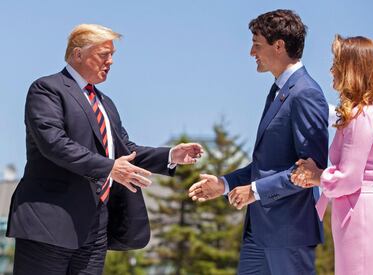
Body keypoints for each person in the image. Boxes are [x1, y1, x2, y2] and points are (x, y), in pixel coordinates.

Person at [7, 24, 203, 275]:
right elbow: (54, 143)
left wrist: (169, 155)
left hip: (94, 229)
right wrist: (110, 168)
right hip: (49, 224)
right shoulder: (47, 89)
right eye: (104, 54)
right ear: (78, 54)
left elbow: (124, 151)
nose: (110, 61)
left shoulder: (105, 103)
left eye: (112, 55)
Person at [188, 10, 329, 274]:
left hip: (289, 235)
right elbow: (267, 165)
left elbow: (311, 172)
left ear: (279, 46)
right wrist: (224, 184)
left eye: (256, 45)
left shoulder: (306, 93)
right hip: (260, 233)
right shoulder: (279, 91)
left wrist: (254, 191)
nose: (251, 53)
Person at [291, 35, 373, 275]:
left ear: (353, 68)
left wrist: (316, 175)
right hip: (365, 216)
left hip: (360, 220)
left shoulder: (361, 116)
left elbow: (348, 179)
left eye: (337, 63)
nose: (332, 69)